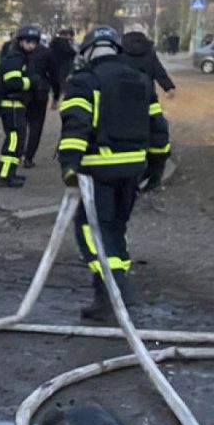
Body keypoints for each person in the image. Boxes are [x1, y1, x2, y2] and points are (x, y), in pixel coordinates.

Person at [58, 25, 170, 321]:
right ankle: (114, 293)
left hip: (98, 170)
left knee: (90, 231)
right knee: (115, 228)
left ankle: (112, 293)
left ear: (88, 52)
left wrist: (69, 165)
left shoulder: (85, 81)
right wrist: (157, 167)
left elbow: (76, 125)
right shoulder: (142, 80)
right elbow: (158, 128)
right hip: (133, 170)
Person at [0, 25, 40, 187]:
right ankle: (5, 176)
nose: (31, 45)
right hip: (11, 105)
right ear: (20, 42)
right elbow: (13, 83)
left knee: (17, 141)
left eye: (34, 42)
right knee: (14, 141)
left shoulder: (21, 58)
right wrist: (32, 81)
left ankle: (9, 173)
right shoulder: (15, 59)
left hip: (16, 105)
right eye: (28, 42)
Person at [23, 32, 61, 168]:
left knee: (21, 122)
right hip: (40, 92)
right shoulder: (46, 53)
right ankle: (29, 157)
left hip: (22, 91)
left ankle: (17, 150)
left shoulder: (19, 52)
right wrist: (56, 96)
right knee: (36, 125)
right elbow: (54, 75)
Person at [120, 31, 175, 100]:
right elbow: (159, 70)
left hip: (124, 93)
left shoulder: (120, 52)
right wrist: (168, 87)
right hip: (147, 93)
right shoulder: (149, 53)